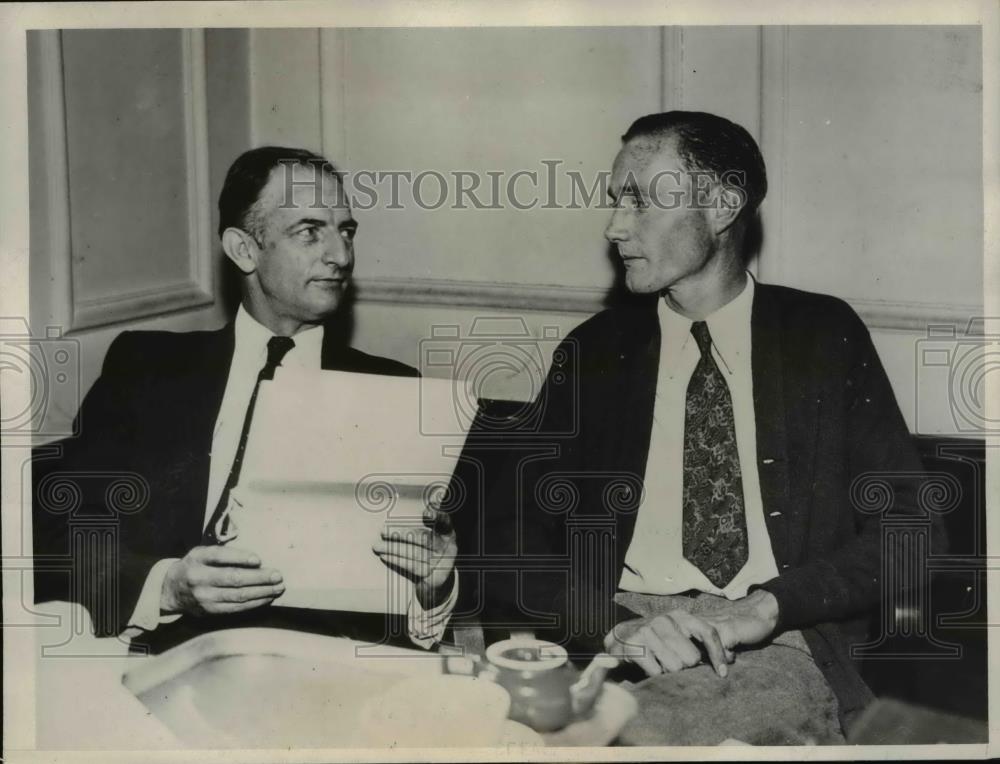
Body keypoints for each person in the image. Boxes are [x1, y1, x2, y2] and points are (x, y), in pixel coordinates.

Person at [465, 111, 940, 742]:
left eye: (638, 201)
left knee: (627, 732)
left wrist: (767, 607)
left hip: (773, 642)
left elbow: (910, 528)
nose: (614, 226)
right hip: (616, 637)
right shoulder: (596, 352)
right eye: (615, 202)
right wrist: (613, 624)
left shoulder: (822, 338)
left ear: (719, 205)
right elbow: (510, 541)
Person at [34, 147, 457, 652]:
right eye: (309, 231)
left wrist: (436, 587)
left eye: (346, 231)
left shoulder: (391, 392)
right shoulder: (145, 369)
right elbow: (55, 533)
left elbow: (404, 606)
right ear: (243, 249)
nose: (341, 256)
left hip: (317, 670)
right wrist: (167, 587)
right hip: (159, 659)